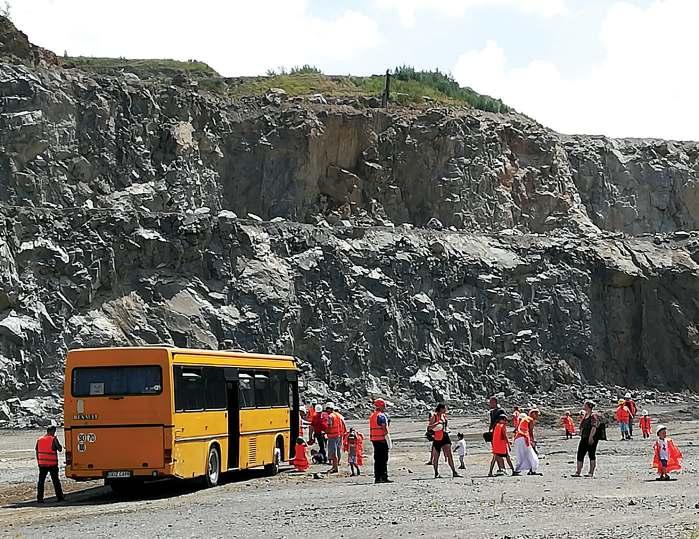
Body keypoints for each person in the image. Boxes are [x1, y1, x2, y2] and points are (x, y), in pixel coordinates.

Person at [428, 403, 461, 479]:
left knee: (449, 455)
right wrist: (437, 423)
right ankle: (436, 473)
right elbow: (429, 428)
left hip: (445, 436)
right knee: (436, 457)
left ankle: (454, 472)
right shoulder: (434, 416)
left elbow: (445, 426)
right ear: (441, 409)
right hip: (437, 437)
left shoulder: (444, 416)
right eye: (445, 408)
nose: (446, 410)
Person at [36, 424, 64, 503]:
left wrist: (38, 461)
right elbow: (59, 449)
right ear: (52, 431)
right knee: (55, 481)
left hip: (42, 464)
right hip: (52, 464)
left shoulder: (39, 439)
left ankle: (40, 498)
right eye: (54, 431)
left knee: (41, 482)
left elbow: (37, 450)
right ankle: (60, 497)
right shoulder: (53, 439)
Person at [572, 400, 600, 478]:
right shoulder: (585, 415)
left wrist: (591, 437)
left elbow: (594, 427)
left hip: (590, 437)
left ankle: (591, 472)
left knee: (591, 454)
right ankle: (578, 472)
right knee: (580, 453)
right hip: (584, 437)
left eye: (585, 405)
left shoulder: (593, 416)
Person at [369, 399, 392, 483]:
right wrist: (388, 439)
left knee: (377, 459)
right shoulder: (381, 416)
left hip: (374, 439)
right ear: (382, 406)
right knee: (383, 459)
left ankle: (377, 477)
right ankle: (384, 476)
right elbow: (384, 429)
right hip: (381, 439)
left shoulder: (373, 415)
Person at [514, 408, 542, 476]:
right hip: (524, 438)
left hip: (518, 438)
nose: (537, 416)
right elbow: (530, 431)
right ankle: (532, 470)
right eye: (536, 414)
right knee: (532, 455)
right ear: (532, 413)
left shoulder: (526, 419)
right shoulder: (530, 419)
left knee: (523, 455)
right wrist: (532, 441)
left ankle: (518, 470)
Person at [325, 402, 346, 474]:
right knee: (337, 450)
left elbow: (329, 426)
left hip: (332, 436)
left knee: (333, 452)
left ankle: (335, 468)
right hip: (338, 435)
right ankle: (335, 466)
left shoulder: (330, 416)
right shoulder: (337, 415)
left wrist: (325, 432)